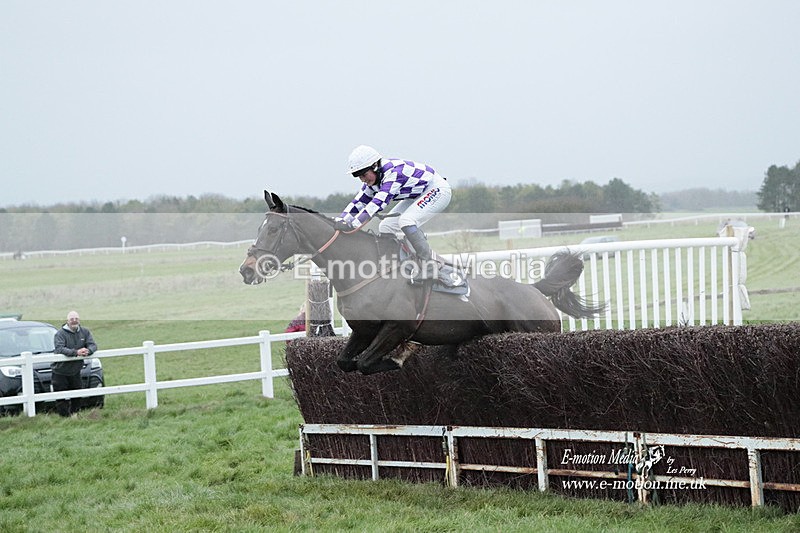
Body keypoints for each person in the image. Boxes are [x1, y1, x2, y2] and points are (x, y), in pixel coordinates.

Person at [334, 145, 452, 281]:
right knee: (385, 226)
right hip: (418, 194)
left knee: (406, 221)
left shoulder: (393, 173)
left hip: (437, 189)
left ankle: (429, 268)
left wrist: (353, 224)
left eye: (364, 175)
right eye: (358, 176)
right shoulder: (374, 180)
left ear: (375, 166)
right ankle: (397, 264)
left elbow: (377, 203)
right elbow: (358, 202)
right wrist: (341, 220)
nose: (362, 180)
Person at [52, 310, 97, 417]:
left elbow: (93, 345)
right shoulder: (60, 334)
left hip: (75, 370)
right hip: (60, 371)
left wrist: (88, 351)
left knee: (78, 394)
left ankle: (74, 416)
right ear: (67, 321)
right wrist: (76, 352)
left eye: (76, 319)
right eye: (72, 319)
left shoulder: (85, 332)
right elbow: (60, 349)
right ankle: (64, 418)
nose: (74, 321)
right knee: (61, 396)